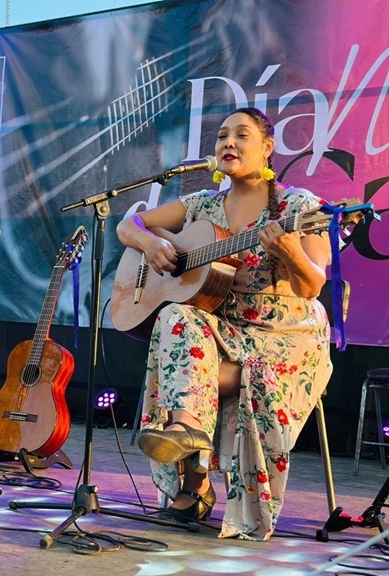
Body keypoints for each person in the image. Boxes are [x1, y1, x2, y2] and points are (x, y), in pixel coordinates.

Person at [116, 107, 333, 541]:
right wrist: (151, 242)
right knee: (175, 315)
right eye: (221, 136)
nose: (228, 143)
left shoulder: (299, 206)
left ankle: (195, 482)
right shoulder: (203, 205)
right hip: (223, 329)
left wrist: (290, 251)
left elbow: (313, 285)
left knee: (186, 369)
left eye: (241, 135)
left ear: (268, 148)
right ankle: (188, 431)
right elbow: (129, 223)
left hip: (284, 335)